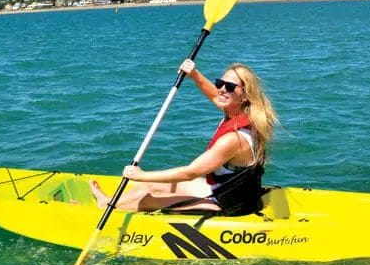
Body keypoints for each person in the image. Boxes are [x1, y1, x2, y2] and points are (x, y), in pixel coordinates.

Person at [90, 59, 279, 216]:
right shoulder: (238, 113)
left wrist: (140, 175)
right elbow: (216, 97)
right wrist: (194, 74)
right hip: (223, 190)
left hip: (227, 205)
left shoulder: (234, 140)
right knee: (151, 185)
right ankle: (108, 202)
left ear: (245, 96)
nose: (222, 90)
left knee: (148, 197)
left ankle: (105, 208)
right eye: (220, 83)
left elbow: (191, 172)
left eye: (230, 87)